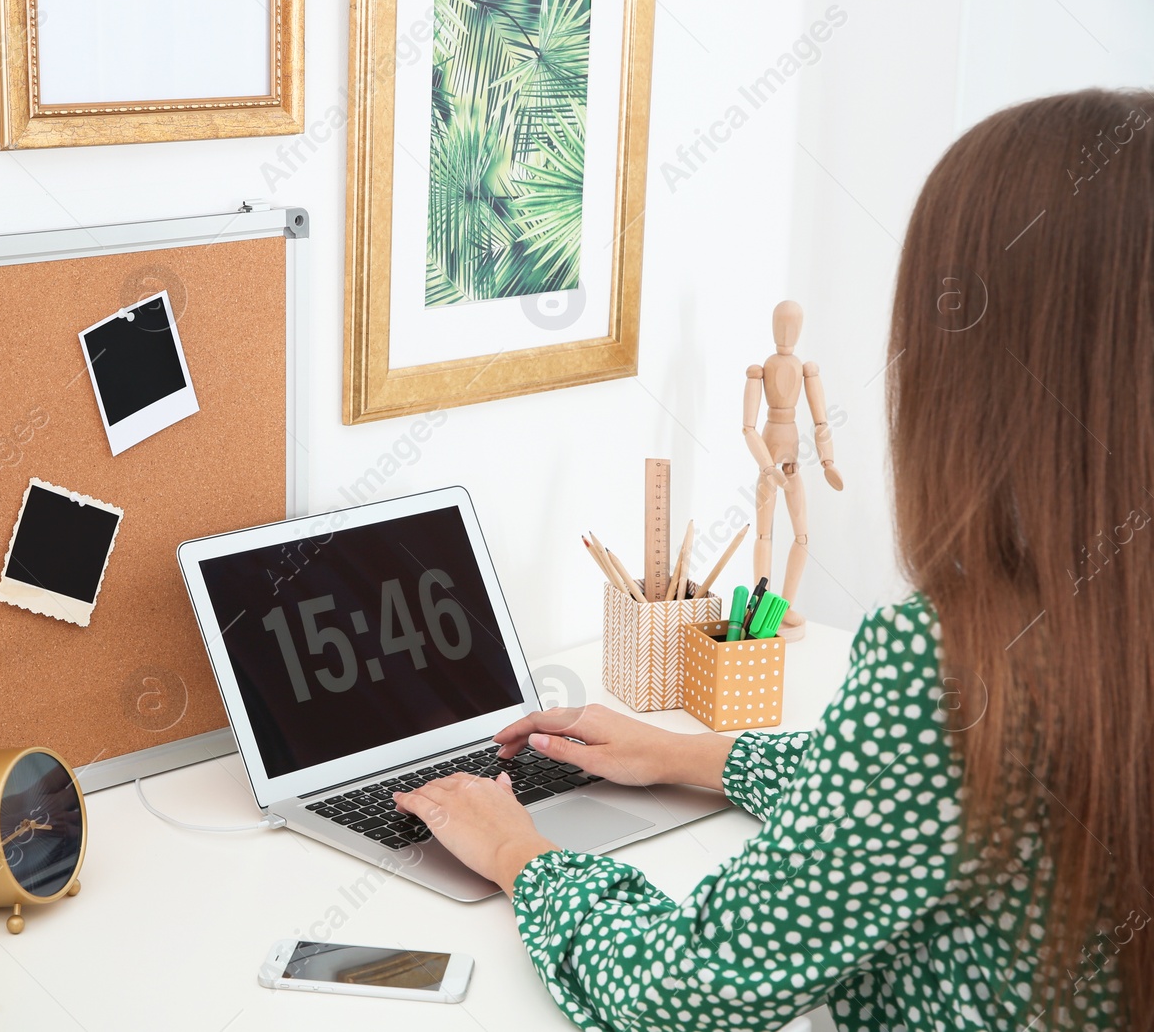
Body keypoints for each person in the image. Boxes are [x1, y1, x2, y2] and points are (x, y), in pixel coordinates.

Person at [395, 89, 1154, 1031]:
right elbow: (915, 791)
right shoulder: (1098, 624)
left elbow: (690, 991)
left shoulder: (956, 660)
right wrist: (688, 753)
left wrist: (521, 853)